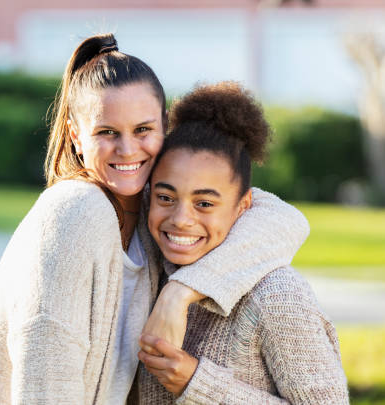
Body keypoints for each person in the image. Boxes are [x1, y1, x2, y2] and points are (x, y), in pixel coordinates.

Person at [0, 34, 310, 405]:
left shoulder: (151, 204)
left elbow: (282, 219)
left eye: (143, 130)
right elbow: (45, 386)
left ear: (164, 126)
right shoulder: (74, 214)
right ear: (76, 136)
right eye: (107, 133)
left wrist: (180, 291)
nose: (127, 150)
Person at [136, 82, 349, 404]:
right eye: (166, 197)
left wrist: (196, 383)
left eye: (204, 204)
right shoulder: (150, 271)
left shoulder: (278, 296)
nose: (181, 219)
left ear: (243, 205)